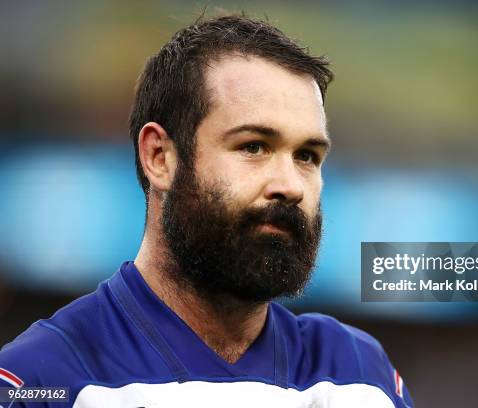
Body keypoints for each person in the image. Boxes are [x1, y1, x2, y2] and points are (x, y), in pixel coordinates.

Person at [0, 14, 413, 407]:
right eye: (253, 146)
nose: (289, 186)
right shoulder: (43, 378)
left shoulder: (361, 375)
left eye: (307, 155)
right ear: (159, 157)